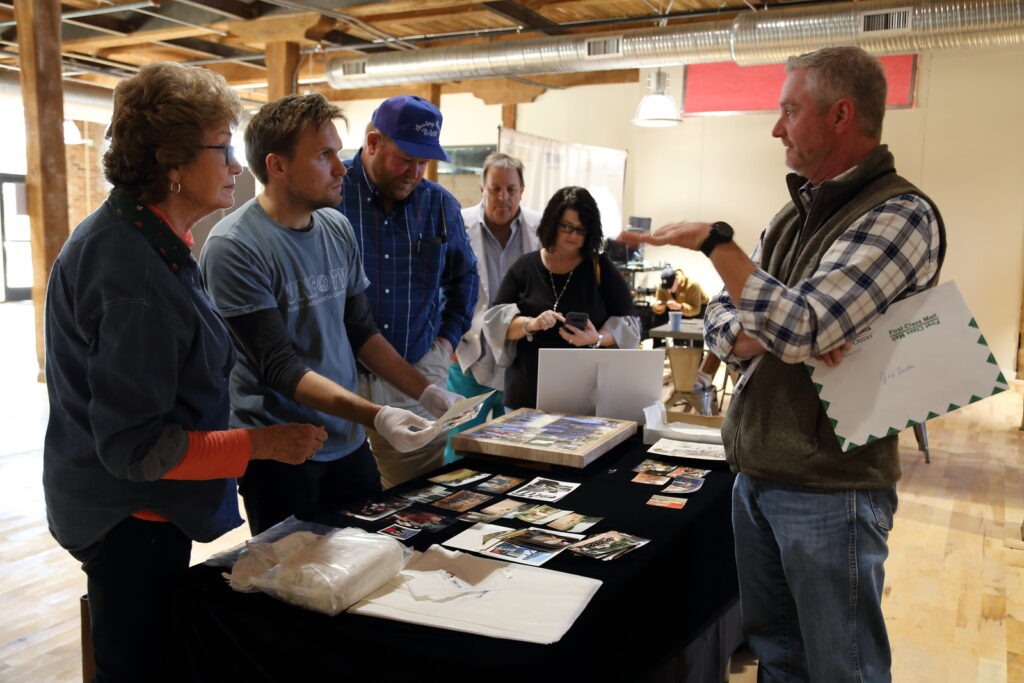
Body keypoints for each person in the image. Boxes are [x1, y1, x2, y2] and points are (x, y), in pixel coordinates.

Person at [620, 46, 946, 682]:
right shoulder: (790, 219)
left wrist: (719, 246)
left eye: (790, 110)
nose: (776, 128)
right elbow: (722, 320)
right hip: (757, 472)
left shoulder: (900, 215)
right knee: (777, 662)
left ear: (841, 115)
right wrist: (772, 326)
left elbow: (801, 326)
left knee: (840, 670)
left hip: (834, 487)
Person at [42, 63, 327, 682]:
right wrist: (262, 445)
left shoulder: (153, 238)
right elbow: (137, 449)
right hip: (129, 520)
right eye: (222, 146)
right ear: (171, 161)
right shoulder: (132, 274)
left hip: (145, 515)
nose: (235, 165)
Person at [202, 94, 447, 534]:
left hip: (347, 441)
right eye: (324, 155)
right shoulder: (235, 247)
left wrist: (428, 394)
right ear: (277, 166)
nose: (342, 167)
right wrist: (377, 415)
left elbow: (361, 331)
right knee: (295, 586)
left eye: (337, 153)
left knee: (372, 560)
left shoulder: (336, 226)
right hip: (283, 451)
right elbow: (280, 367)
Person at [338, 94, 478, 487]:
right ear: (372, 143)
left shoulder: (439, 205)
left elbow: (465, 277)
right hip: (338, 378)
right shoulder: (333, 195)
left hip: (415, 371)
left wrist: (445, 343)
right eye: (405, 159)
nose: (414, 172)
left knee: (414, 497)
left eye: (423, 163)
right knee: (340, 498)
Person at [485, 186, 640, 410]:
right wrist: (531, 323)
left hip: (585, 394)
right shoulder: (524, 268)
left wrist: (595, 338)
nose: (574, 236)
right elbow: (496, 325)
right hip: (527, 394)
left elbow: (630, 323)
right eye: (567, 227)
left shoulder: (599, 267)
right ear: (552, 224)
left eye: (581, 230)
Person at [446, 152, 542, 461]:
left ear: (522, 191)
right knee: (458, 448)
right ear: (482, 188)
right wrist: (445, 339)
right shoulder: (458, 225)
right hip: (468, 358)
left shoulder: (540, 229)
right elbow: (439, 286)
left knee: (520, 452)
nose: (503, 197)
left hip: (521, 361)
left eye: (511, 189)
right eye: (495, 189)